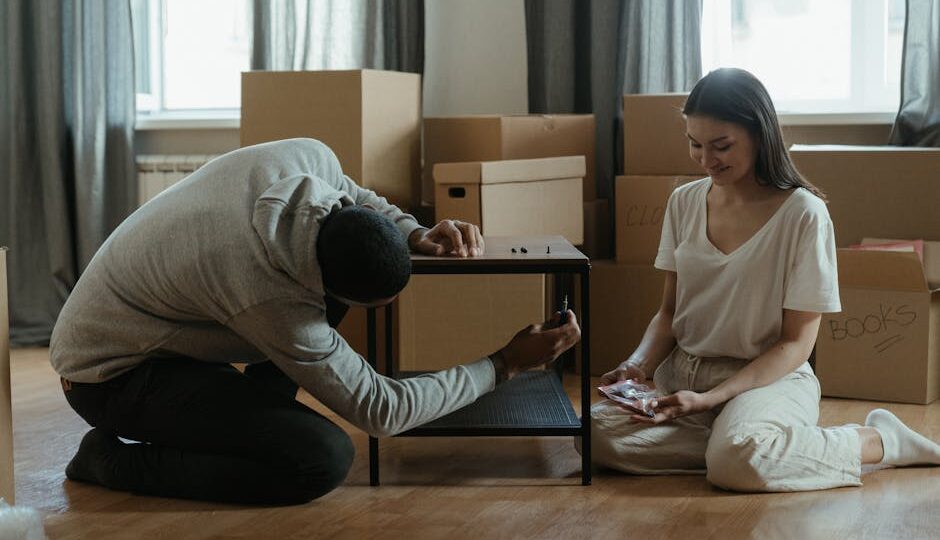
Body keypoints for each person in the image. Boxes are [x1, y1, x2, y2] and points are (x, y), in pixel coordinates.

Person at [50, 138, 581, 505]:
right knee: (319, 458)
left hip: (162, 323)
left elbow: (361, 199)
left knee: (277, 420)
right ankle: (109, 463)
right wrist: (505, 364)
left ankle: (247, 423)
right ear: (322, 288)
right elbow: (383, 410)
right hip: (109, 374)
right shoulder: (267, 296)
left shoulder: (310, 160)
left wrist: (414, 232)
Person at [584, 68, 940, 491]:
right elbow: (668, 313)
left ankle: (875, 441)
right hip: (684, 376)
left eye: (721, 146)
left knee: (738, 461)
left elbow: (796, 344)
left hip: (770, 379)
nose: (706, 159)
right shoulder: (683, 202)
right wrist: (637, 365)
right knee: (591, 435)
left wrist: (713, 399)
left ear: (759, 134)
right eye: (695, 144)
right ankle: (741, 444)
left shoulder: (804, 215)